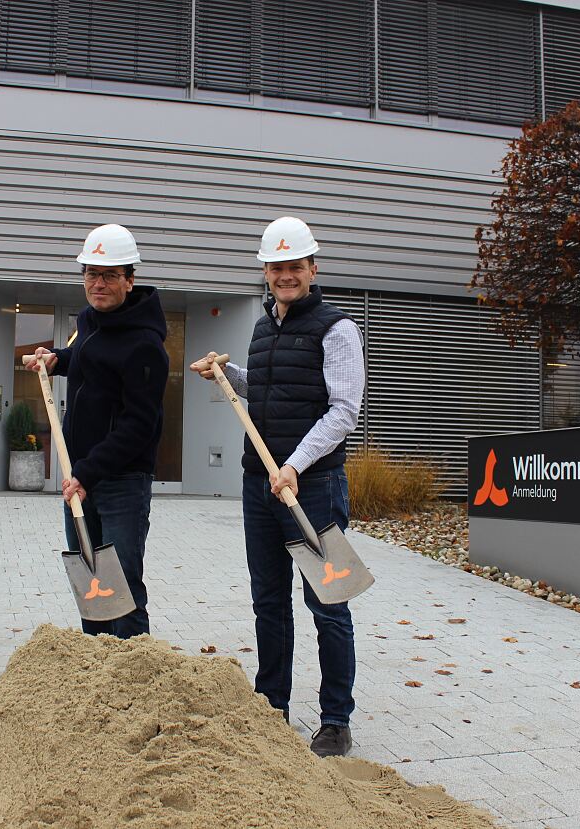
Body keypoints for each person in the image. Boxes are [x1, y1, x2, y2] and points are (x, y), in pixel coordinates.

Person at [189, 216, 365, 758]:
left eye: (295, 266)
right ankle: (272, 705)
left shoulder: (337, 329)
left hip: (312, 486)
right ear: (265, 271)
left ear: (313, 268)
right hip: (259, 483)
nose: (285, 275)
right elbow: (268, 390)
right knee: (269, 600)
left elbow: (342, 412)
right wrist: (227, 373)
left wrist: (295, 464)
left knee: (328, 602)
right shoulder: (265, 326)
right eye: (276, 267)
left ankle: (335, 720)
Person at [26, 224, 169, 639]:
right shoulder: (90, 322)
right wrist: (58, 359)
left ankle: (133, 680)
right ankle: (94, 681)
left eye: (109, 275)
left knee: (121, 590)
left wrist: (88, 473)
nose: (98, 283)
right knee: (91, 584)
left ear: (130, 280)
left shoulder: (145, 344)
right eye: (91, 273)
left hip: (120, 481)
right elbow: (91, 360)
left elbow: (139, 427)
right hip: (82, 476)